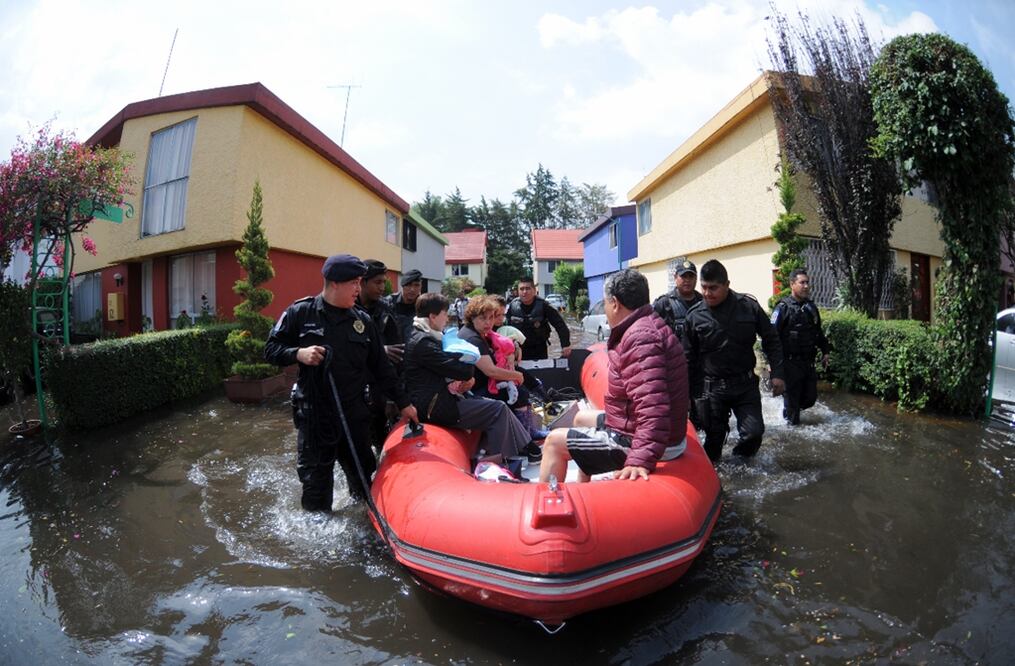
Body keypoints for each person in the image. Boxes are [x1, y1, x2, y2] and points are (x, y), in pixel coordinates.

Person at [264, 254, 418, 512]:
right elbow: (270, 349)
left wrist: (405, 404)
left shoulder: (363, 321)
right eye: (354, 283)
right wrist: (298, 353)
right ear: (334, 283)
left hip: (353, 415)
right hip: (315, 417)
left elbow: (382, 368)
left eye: (360, 282)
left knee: (363, 483)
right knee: (316, 492)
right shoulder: (300, 312)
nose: (359, 288)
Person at [538, 269, 688, 483]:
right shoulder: (646, 325)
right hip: (636, 425)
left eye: (606, 303)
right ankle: (584, 489)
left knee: (553, 442)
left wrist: (640, 459)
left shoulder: (640, 338)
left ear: (615, 303)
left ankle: (549, 503)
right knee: (580, 418)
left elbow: (652, 405)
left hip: (646, 441)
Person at [404, 292, 529, 463]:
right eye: (445, 314)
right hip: (435, 407)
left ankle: (526, 447)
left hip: (438, 399)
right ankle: (506, 460)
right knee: (498, 409)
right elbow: (464, 372)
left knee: (500, 406)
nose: (447, 319)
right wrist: (468, 355)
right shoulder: (424, 343)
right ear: (433, 317)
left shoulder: (421, 335)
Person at [684, 260, 785, 463]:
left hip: (745, 386)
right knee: (714, 442)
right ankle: (716, 475)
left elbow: (771, 339)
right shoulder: (695, 316)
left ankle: (739, 464)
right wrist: (686, 395)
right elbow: (687, 358)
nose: (707, 293)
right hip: (712, 389)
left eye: (713, 288)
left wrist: (778, 374)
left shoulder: (748, 307)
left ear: (727, 284)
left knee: (754, 434)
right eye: (703, 287)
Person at [459, 296, 545, 455]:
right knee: (520, 392)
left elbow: (502, 343)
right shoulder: (472, 339)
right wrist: (515, 376)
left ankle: (527, 432)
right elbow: (490, 371)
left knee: (519, 382)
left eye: (491, 317)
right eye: (483, 318)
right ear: (472, 318)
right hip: (474, 391)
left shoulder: (478, 333)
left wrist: (513, 350)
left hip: (481, 384)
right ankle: (524, 439)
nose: (488, 323)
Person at [771, 268, 830, 425]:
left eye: (807, 282)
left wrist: (825, 351)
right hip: (789, 365)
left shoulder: (811, 308)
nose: (806, 286)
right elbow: (771, 338)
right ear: (792, 284)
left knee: (810, 398)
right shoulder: (782, 308)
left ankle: (790, 408)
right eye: (802, 282)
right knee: (793, 416)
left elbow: (818, 333)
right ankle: (790, 419)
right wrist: (774, 366)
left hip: (807, 364)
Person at [357, 260, 404, 451]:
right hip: (351, 386)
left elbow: (398, 355)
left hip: (377, 388)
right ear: (362, 282)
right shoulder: (346, 308)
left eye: (384, 282)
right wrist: (378, 350)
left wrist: (394, 398)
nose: (382, 287)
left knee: (380, 438)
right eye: (377, 282)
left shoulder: (386, 310)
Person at [507, 277, 571, 361]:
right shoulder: (512, 306)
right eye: (521, 289)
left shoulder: (544, 305)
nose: (524, 292)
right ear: (518, 291)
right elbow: (505, 327)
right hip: (518, 350)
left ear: (534, 290)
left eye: (528, 288)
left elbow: (560, 325)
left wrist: (565, 345)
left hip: (539, 349)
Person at [652, 259, 703, 347]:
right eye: (683, 276)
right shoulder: (664, 303)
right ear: (675, 277)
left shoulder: (703, 302)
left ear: (696, 278)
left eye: (691, 276)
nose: (687, 280)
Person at [388, 269, 423, 344]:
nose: (412, 289)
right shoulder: (389, 303)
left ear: (421, 287)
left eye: (416, 285)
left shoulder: (424, 305)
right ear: (403, 286)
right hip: (392, 348)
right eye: (408, 285)